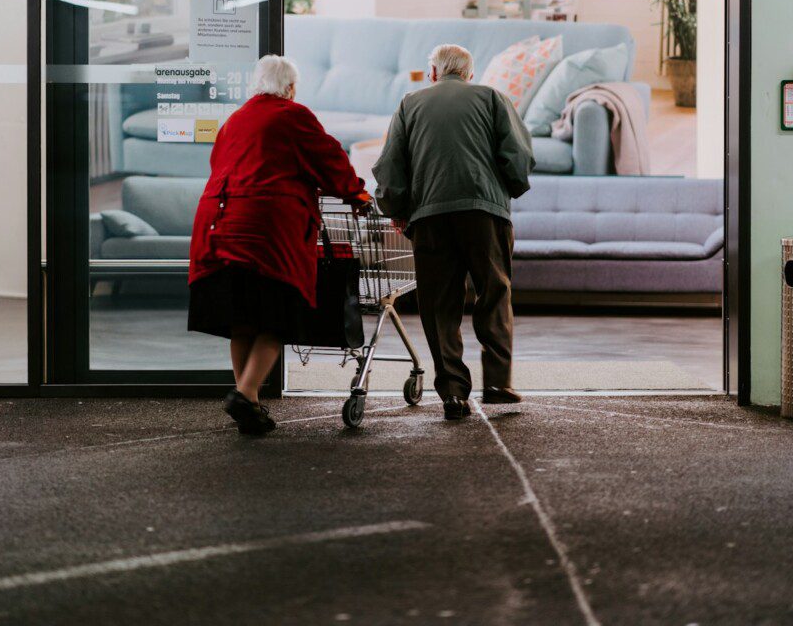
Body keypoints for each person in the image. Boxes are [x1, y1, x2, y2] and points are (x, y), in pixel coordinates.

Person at [189, 55, 372, 435]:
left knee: (242, 321)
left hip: (219, 226)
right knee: (277, 318)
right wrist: (358, 195)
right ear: (290, 88)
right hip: (266, 231)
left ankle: (249, 403)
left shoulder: (235, 120)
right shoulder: (292, 115)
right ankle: (245, 395)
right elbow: (330, 159)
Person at [372, 44, 535, 420]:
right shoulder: (492, 98)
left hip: (431, 218)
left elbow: (391, 163)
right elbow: (518, 155)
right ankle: (496, 383)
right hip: (484, 214)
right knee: (494, 292)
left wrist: (396, 209)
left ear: (432, 73)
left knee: (439, 304)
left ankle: (453, 393)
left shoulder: (409, 104)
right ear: (469, 74)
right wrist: (505, 189)